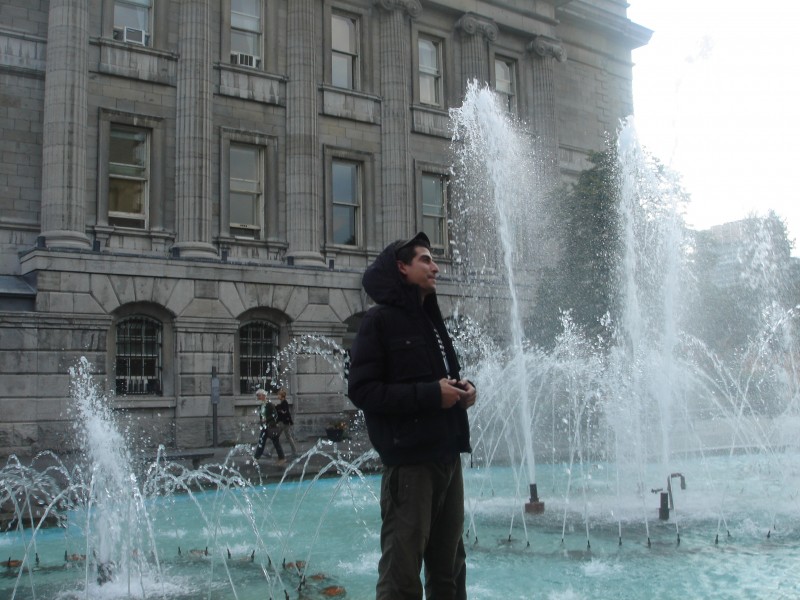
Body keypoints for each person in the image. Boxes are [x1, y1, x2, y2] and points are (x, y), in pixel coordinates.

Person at [347, 232, 477, 600]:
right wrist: (432, 394)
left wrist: (464, 390)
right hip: (410, 465)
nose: (435, 267)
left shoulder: (431, 321)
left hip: (447, 456)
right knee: (402, 574)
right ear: (402, 267)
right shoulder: (379, 321)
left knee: (450, 569)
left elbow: (438, 380)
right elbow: (363, 391)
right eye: (425, 260)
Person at [253, 388, 286, 465]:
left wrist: (266, 420)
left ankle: (282, 458)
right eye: (257, 396)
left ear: (264, 396)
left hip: (271, 427)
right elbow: (262, 416)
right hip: (265, 427)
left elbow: (275, 414)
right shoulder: (262, 405)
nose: (258, 397)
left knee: (275, 443)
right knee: (262, 442)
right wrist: (261, 422)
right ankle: (256, 458)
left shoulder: (269, 404)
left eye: (259, 395)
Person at [275, 388, 298, 456]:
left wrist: (279, 409)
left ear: (282, 396)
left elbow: (285, 412)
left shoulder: (284, 403)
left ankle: (294, 451)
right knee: (277, 437)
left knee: (280, 437)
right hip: (282, 422)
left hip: (284, 423)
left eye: (278, 395)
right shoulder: (282, 403)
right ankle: (294, 451)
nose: (277, 396)